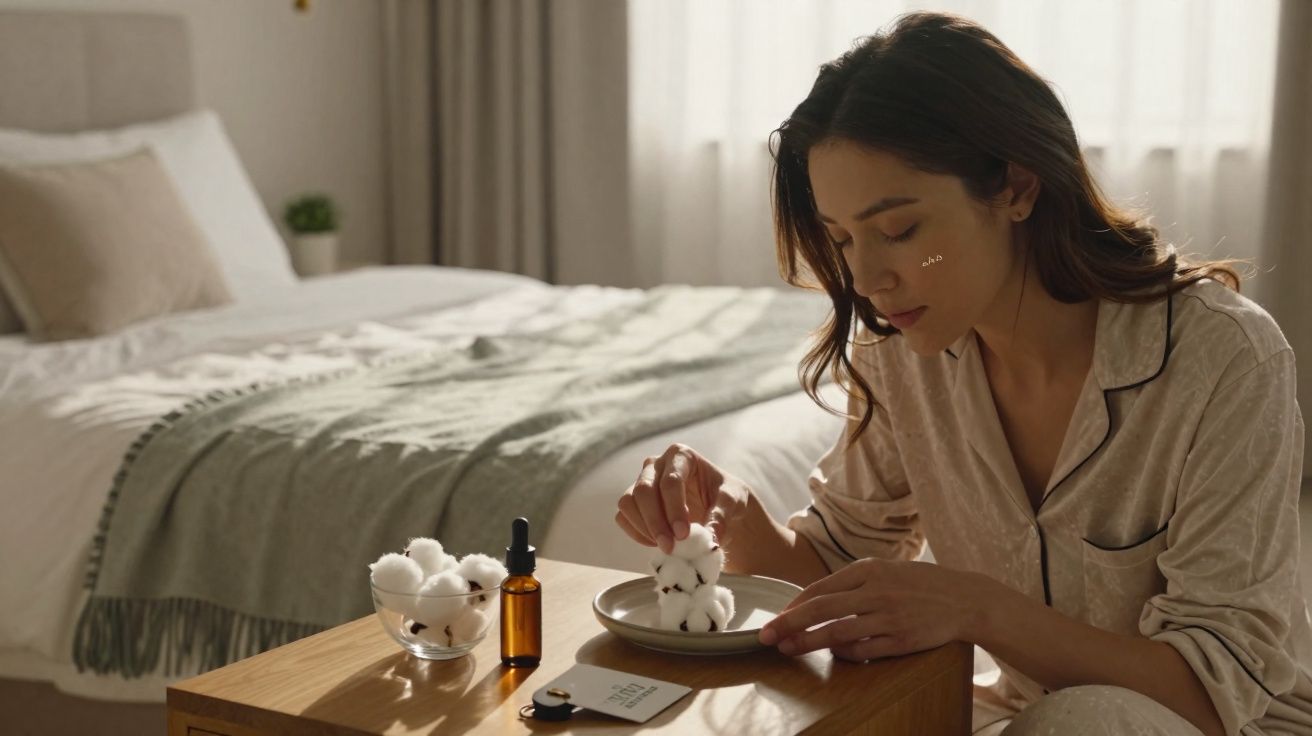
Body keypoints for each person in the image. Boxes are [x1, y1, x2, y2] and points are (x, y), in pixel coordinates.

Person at [614, 11, 1312, 736]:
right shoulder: (905, 352)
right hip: (1019, 717)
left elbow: (1213, 690)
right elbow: (839, 569)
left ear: (1016, 187)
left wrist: (979, 610)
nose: (869, 279)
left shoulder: (1222, 358)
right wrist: (734, 513)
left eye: (898, 231)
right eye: (844, 240)